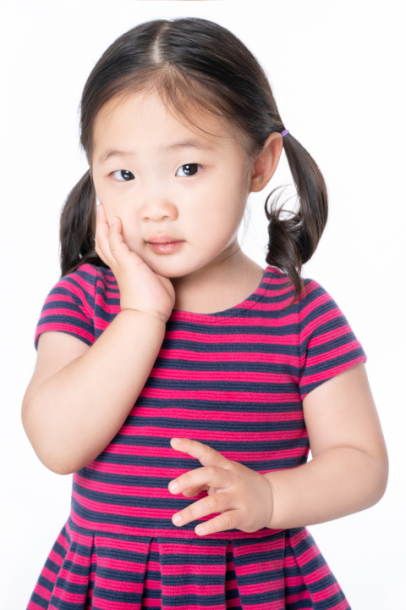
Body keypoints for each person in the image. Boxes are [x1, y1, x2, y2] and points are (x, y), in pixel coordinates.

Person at [22, 17, 388, 610]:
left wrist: (270, 497)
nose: (155, 207)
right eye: (123, 174)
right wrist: (141, 312)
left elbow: (362, 463)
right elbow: (57, 445)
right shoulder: (85, 300)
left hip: (257, 586)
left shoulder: (301, 314)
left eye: (188, 169)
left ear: (260, 164)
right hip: (111, 587)